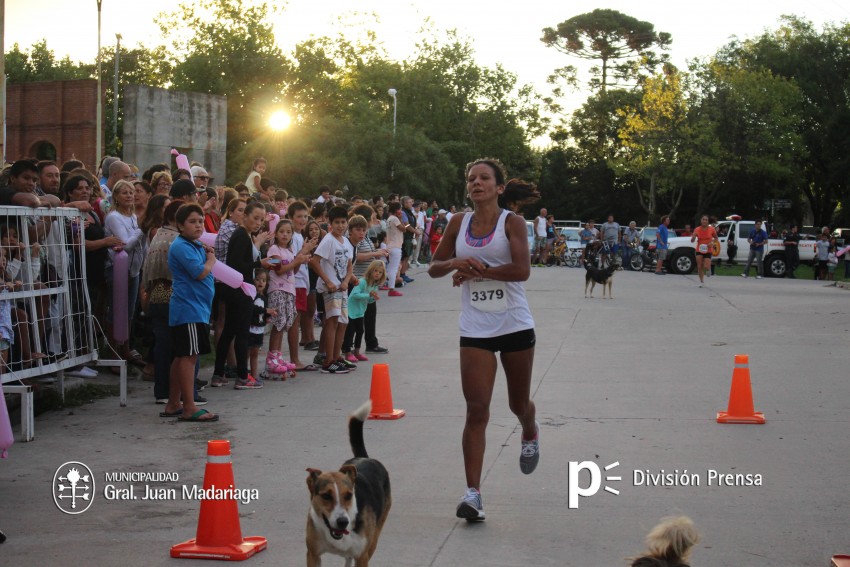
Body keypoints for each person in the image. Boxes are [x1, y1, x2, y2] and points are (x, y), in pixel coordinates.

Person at [428, 158, 539, 522]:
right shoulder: (458, 223)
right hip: (474, 328)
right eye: (471, 178)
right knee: (477, 410)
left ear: (499, 187)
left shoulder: (513, 222)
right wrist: (456, 264)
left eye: (484, 178)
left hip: (514, 325)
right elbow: (434, 266)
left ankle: (529, 429)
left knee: (517, 403)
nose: (476, 183)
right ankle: (473, 494)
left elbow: (522, 270)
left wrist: (481, 270)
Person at [161, 203, 218, 422]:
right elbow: (200, 273)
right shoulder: (182, 246)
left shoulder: (193, 244)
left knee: (182, 356)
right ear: (180, 225)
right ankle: (189, 407)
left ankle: (174, 403)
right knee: (188, 357)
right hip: (189, 310)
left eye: (200, 221)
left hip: (195, 309)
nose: (198, 225)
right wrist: (211, 261)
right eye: (192, 221)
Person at [212, 201, 269, 389]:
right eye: (255, 218)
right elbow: (236, 265)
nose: (258, 222)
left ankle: (219, 373)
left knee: (229, 332)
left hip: (237, 288)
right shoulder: (241, 236)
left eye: (261, 219)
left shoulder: (244, 235)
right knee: (241, 334)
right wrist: (260, 263)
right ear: (245, 216)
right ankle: (243, 377)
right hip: (239, 289)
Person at [261, 218, 315, 375]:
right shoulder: (274, 250)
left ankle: (277, 356)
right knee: (278, 324)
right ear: (276, 233)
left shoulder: (290, 251)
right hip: (277, 289)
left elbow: (294, 270)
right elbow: (278, 270)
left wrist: (301, 256)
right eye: (282, 231)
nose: (285, 235)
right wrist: (297, 259)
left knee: (284, 324)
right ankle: (271, 358)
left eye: (288, 232)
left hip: (289, 290)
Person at [104, 179, 145, 367]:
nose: (130, 196)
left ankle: (125, 349)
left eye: (131, 192)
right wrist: (141, 230)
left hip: (134, 269)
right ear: (116, 197)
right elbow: (126, 244)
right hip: (118, 268)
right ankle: (112, 352)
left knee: (130, 311)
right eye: (125, 193)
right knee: (116, 310)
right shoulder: (114, 217)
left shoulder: (134, 217)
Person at [309, 206, 354, 374]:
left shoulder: (346, 241)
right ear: (330, 223)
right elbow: (314, 261)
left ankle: (337, 357)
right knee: (333, 321)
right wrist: (328, 281)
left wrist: (347, 281)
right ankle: (328, 361)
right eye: (337, 223)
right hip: (331, 288)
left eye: (343, 222)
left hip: (342, 287)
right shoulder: (328, 240)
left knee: (343, 322)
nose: (340, 226)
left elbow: (350, 266)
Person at [344, 260, 384, 363]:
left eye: (380, 272)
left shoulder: (374, 285)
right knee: (350, 331)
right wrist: (368, 295)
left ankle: (357, 351)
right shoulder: (362, 282)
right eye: (375, 271)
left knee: (360, 331)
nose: (377, 274)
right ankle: (347, 352)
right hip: (351, 311)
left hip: (360, 311)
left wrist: (373, 298)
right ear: (370, 270)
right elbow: (354, 295)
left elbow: (369, 300)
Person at [248, 269, 272, 379]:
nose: (260, 282)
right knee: (247, 353)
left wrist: (268, 317)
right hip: (250, 329)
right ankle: (244, 374)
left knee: (255, 354)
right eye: (257, 280)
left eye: (263, 280)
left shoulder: (264, 298)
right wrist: (266, 311)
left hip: (259, 330)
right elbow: (254, 309)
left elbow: (264, 311)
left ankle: (254, 375)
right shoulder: (251, 295)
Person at [382, 202, 406, 296]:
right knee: (393, 268)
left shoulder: (389, 219)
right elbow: (403, 229)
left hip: (390, 245)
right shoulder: (395, 219)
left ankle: (389, 286)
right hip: (395, 246)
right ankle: (391, 289)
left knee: (391, 268)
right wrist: (400, 218)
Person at [690, 215, 717, 287]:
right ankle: (701, 282)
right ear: (701, 221)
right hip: (699, 249)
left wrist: (712, 243)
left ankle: (709, 269)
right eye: (703, 219)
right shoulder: (697, 229)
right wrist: (693, 237)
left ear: (708, 221)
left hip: (708, 249)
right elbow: (692, 241)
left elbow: (716, 238)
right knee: (699, 266)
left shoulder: (711, 229)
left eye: (706, 220)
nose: (704, 221)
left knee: (706, 266)